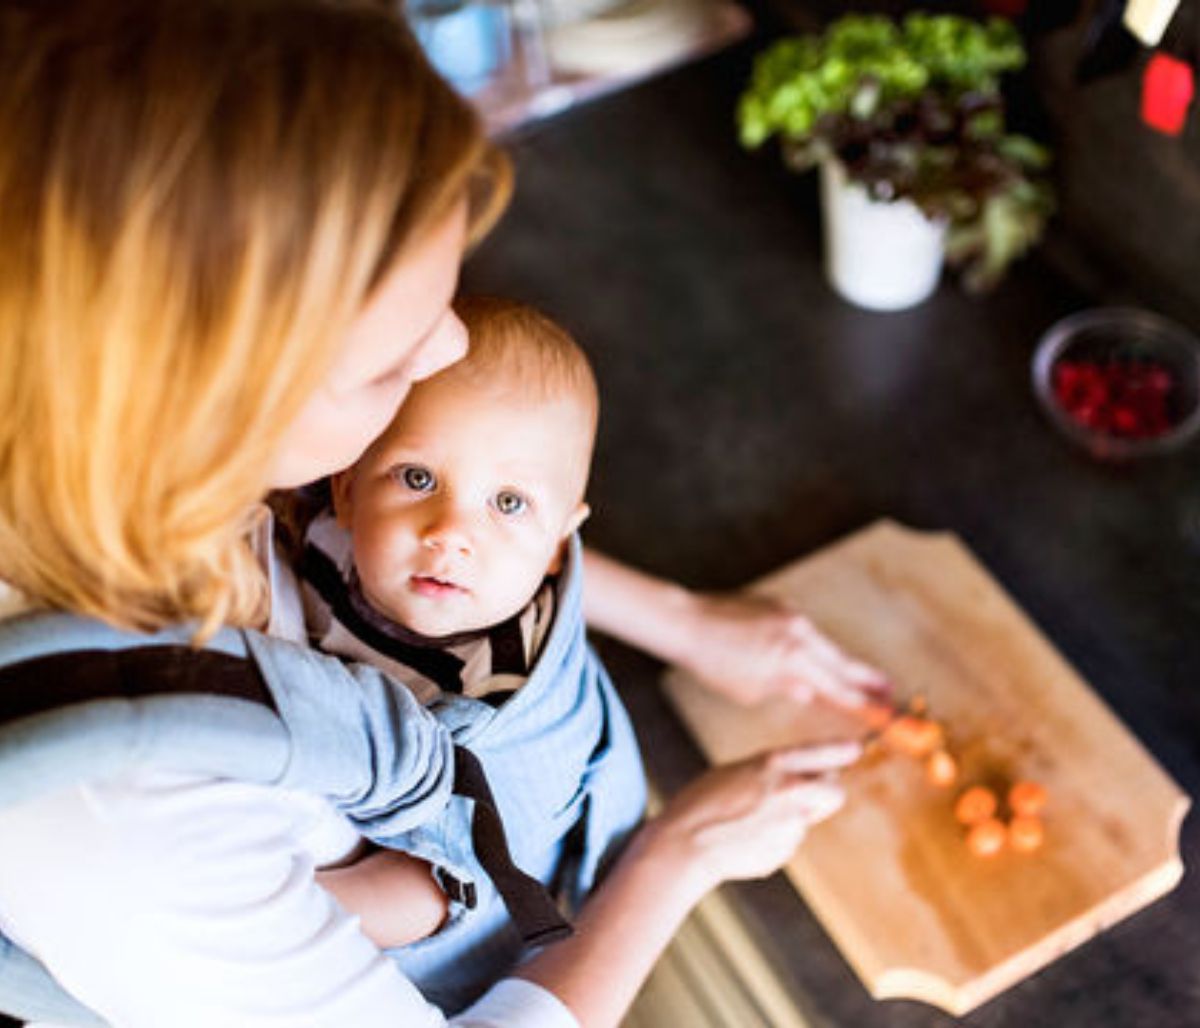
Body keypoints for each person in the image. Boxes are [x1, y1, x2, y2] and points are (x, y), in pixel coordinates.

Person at [0, 2, 877, 1026]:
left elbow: (418, 518)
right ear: (207, 408)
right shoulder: (125, 827)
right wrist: (681, 852)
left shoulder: (115, 445)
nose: (449, 352)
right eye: (385, 366)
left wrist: (680, 616)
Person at [282, 295, 646, 1010]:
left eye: (509, 504)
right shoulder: (316, 529)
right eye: (418, 478)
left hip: (422, 916)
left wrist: (274, 890)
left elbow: (433, 891)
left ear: (556, 546)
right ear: (347, 487)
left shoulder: (489, 698)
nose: (450, 532)